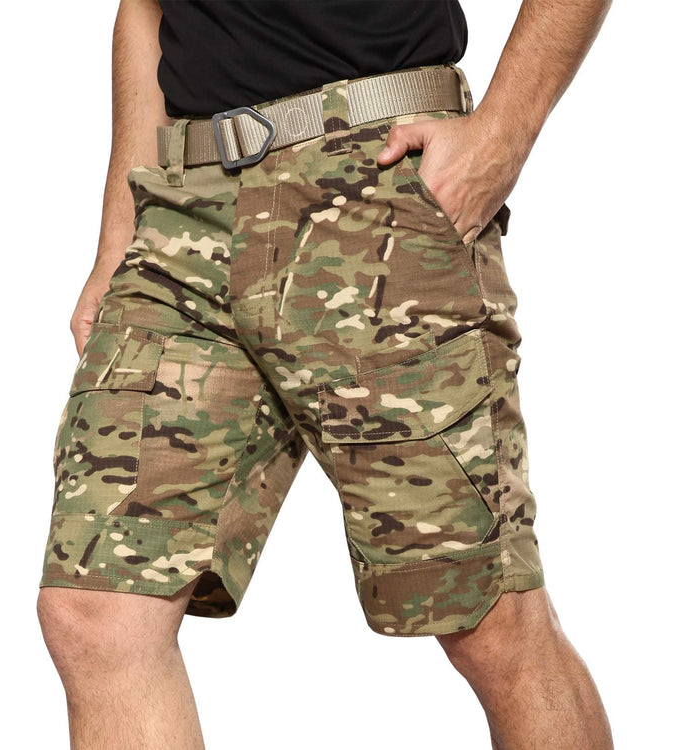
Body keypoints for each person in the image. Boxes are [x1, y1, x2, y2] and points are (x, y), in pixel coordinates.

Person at [37, 1, 614, 747]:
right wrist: (119, 237)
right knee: (97, 611)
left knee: (485, 614)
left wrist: (503, 134)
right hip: (182, 212)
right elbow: (146, 7)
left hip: (374, 182)